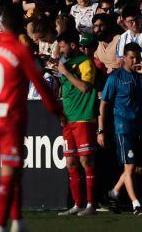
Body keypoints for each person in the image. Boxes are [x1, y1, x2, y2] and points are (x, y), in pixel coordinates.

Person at [0, 7, 65, 232]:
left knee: (13, 168)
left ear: (0, 26)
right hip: (10, 118)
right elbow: (38, 82)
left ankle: (18, 221)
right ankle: (0, 226)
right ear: (19, 28)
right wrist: (55, 109)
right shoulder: (19, 50)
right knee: (8, 171)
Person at [99, 41, 142, 215]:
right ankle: (136, 204)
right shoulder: (115, 78)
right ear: (124, 58)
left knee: (135, 168)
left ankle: (114, 193)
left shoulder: (140, 76)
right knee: (130, 167)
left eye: (137, 57)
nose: (135, 60)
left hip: (139, 127)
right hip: (123, 127)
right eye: (131, 57)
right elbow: (104, 104)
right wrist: (101, 130)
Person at [54, 31, 99, 217]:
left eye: (63, 45)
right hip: (69, 118)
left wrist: (65, 72)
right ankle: (77, 204)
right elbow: (66, 89)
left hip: (83, 117)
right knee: (70, 162)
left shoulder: (85, 63)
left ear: (73, 45)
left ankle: (91, 205)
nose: (60, 49)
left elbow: (84, 87)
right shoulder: (67, 63)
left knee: (86, 160)